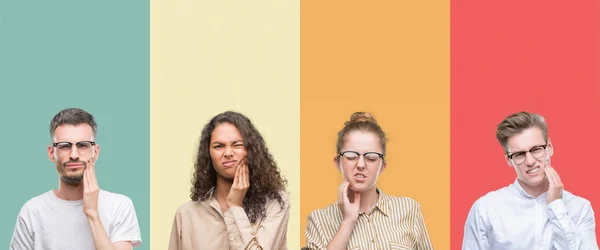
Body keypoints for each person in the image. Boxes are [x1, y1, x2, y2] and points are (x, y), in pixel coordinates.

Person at [462, 111, 598, 250]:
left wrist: (556, 206)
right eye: (519, 154)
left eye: (536, 149)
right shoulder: (486, 209)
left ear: (549, 147)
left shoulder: (580, 208)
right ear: (509, 159)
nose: (530, 161)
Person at [10, 108, 142, 249]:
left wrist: (92, 214)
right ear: (51, 153)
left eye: (83, 145)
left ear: (95, 152)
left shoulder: (119, 206)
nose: (74, 154)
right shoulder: (32, 211)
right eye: (64, 146)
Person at [303, 112, 433, 250]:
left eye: (371, 158)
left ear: (382, 166)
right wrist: (348, 222)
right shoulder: (319, 220)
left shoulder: (409, 209)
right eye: (351, 156)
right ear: (338, 162)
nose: (360, 164)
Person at [168, 111, 290, 250]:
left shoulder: (275, 204)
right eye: (218, 146)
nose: (228, 153)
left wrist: (235, 207)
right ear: (208, 154)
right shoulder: (186, 214)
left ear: (251, 150)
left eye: (237, 145)